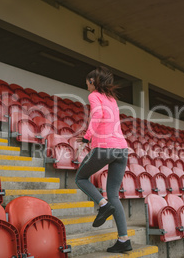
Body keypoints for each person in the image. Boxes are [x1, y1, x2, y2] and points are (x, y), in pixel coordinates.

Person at [75, 66, 132, 253]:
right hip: (122, 149)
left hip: (105, 147)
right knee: (114, 194)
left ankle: (103, 205)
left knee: (80, 178)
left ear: (93, 82)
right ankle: (124, 240)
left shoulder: (94, 96)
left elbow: (98, 115)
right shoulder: (112, 98)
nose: (87, 86)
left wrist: (87, 136)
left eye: (87, 83)